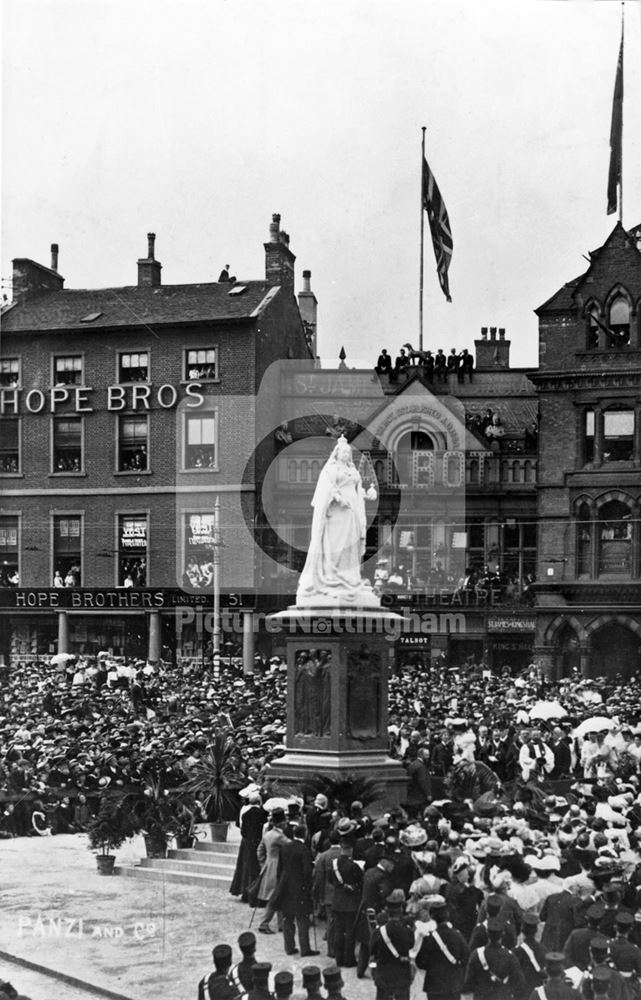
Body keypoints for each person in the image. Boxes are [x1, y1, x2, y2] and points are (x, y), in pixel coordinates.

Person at [296, 435, 377, 607]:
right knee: (336, 545)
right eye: (344, 452)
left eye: (349, 452)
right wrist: (339, 499)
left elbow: (357, 489)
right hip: (337, 513)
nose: (347, 454)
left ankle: (350, 579)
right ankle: (332, 577)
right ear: (337, 453)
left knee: (351, 545)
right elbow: (328, 487)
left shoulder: (353, 471)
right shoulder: (331, 469)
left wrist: (367, 495)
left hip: (352, 513)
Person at [272, 823, 319, 957]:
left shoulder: (285, 848)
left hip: (286, 887)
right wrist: (309, 886)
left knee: (288, 919)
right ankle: (305, 949)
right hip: (300, 888)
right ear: (304, 834)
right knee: (302, 920)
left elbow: (280, 869)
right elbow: (307, 871)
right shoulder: (304, 849)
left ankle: (289, 947)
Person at [369, 889, 415, 1000]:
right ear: (401, 910)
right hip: (402, 976)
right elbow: (411, 945)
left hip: (383, 976)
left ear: (387, 911)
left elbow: (372, 951)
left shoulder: (379, 932)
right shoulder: (407, 931)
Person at [256, 808, 289, 934]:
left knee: (278, 895)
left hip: (269, 865)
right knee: (275, 896)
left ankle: (281, 924)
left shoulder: (268, 834)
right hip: (277, 867)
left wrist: (263, 863)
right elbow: (291, 845)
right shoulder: (279, 836)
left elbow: (259, 850)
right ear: (281, 823)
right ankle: (264, 923)